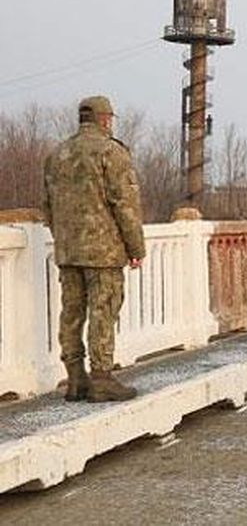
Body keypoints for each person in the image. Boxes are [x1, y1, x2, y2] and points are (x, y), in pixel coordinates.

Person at [42, 95, 145, 402]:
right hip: (103, 251)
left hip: (68, 251)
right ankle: (101, 377)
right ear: (105, 119)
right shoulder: (111, 152)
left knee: (71, 311)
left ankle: (75, 379)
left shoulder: (57, 154)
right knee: (103, 309)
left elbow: (47, 206)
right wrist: (135, 247)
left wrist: (64, 237)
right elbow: (125, 204)